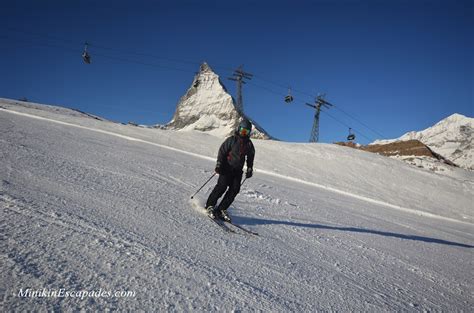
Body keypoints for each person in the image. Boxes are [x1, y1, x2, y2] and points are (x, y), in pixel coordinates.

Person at [206, 119, 255, 222]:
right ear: (238, 129)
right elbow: (222, 152)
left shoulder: (249, 144)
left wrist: (250, 168)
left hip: (238, 171)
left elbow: (250, 156)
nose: (244, 133)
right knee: (221, 187)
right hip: (226, 167)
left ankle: (221, 209)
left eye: (246, 131)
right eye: (242, 130)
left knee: (235, 190)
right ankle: (210, 205)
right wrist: (219, 164)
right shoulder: (232, 140)